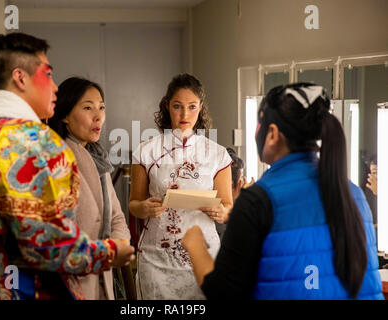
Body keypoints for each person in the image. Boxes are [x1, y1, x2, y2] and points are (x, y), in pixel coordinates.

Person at [0, 32, 135, 300]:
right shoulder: (33, 143)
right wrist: (111, 254)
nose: (55, 87)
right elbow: (49, 246)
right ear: (20, 78)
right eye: (48, 75)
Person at [182, 83, 383, 299]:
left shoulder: (258, 201)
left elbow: (222, 293)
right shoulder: (354, 194)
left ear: (272, 134)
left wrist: (195, 245)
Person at [129, 73, 233, 299]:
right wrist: (144, 207)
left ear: (201, 107)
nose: (184, 114)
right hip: (156, 259)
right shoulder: (146, 151)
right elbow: (133, 205)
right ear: (167, 106)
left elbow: (228, 208)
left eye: (192, 106)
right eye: (177, 106)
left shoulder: (218, 154)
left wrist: (221, 211)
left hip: (204, 258)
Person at [48, 77, 131, 299]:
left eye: (101, 107)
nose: (98, 116)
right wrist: (106, 253)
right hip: (72, 279)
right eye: (88, 108)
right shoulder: (57, 158)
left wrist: (115, 247)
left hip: (102, 276)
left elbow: (117, 218)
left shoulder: (98, 157)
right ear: (65, 115)